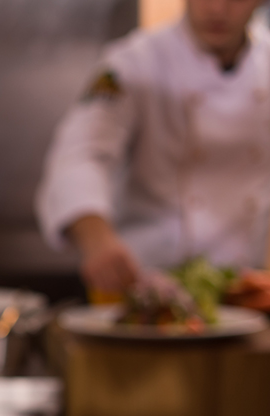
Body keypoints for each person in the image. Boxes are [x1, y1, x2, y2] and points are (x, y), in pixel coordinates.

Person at [36, 0, 270, 300]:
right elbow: (81, 153)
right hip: (142, 285)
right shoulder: (132, 63)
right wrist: (96, 238)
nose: (217, 9)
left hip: (241, 292)